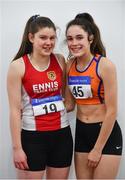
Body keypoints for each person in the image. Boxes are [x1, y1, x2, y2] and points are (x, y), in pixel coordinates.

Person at [7, 15, 73, 179]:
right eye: (43, 37)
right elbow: (15, 111)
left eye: (52, 38)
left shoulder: (60, 60)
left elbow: (67, 100)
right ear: (31, 37)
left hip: (62, 135)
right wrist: (17, 149)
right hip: (32, 138)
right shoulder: (18, 66)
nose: (48, 42)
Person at [65, 12, 123, 179]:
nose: (74, 43)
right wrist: (38, 104)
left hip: (105, 134)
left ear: (90, 38)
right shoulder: (69, 65)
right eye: (70, 39)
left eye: (79, 38)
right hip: (82, 133)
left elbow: (112, 111)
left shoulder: (104, 65)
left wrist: (98, 149)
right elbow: (69, 105)